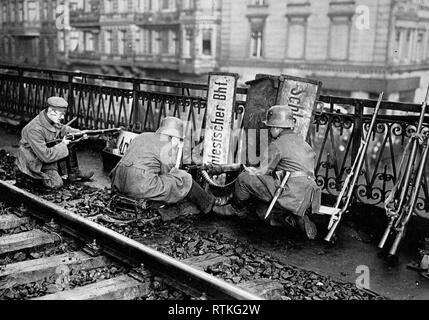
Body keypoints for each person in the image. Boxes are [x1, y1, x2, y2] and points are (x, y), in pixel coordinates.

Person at [213, 105, 321, 240]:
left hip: (288, 192)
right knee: (261, 211)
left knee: (244, 178)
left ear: (277, 127)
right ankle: (296, 220)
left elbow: (262, 171)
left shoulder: (277, 144)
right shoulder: (304, 144)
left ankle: (235, 209)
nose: (270, 130)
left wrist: (250, 170)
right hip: (307, 196)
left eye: (270, 127)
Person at [110, 117, 227, 214]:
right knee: (184, 178)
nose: (179, 143)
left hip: (119, 182)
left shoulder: (142, 136)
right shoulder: (167, 145)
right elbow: (166, 173)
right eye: (179, 139)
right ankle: (210, 205)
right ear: (174, 137)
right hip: (140, 186)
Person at [15, 96, 94, 189]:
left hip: (43, 159)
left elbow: (64, 129)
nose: (63, 117)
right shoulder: (34, 129)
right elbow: (46, 156)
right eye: (61, 114)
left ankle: (74, 172)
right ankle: (28, 178)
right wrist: (63, 144)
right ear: (51, 111)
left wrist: (80, 133)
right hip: (33, 164)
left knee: (71, 139)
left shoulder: (51, 119)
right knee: (56, 184)